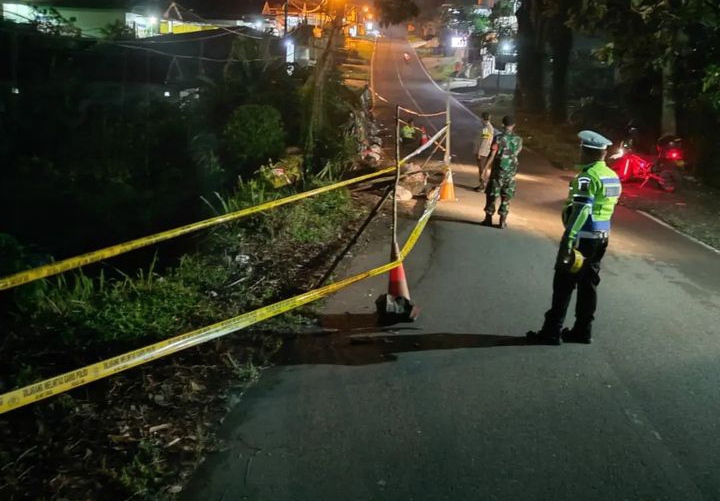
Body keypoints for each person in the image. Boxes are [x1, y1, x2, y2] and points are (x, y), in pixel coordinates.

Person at [527, 130, 622, 345]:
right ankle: (583, 330)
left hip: (582, 238)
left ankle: (551, 331)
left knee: (563, 284)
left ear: (585, 152)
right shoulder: (611, 175)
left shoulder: (587, 177)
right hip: (602, 237)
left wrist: (568, 240)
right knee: (588, 284)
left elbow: (581, 210)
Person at [481, 115, 522, 229]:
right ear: (514, 125)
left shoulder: (498, 138)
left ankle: (488, 218)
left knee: (492, 194)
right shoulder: (518, 140)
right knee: (506, 196)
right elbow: (516, 153)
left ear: (503, 124)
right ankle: (502, 221)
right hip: (511, 172)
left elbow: (493, 153)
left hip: (498, 171)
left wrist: (485, 168)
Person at [473, 112, 496, 191]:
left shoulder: (487, 128)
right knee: (481, 169)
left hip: (483, 152)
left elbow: (485, 141)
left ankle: (483, 186)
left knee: (482, 169)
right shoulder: (486, 127)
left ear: (482, 118)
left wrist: (480, 152)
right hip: (483, 152)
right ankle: (482, 185)